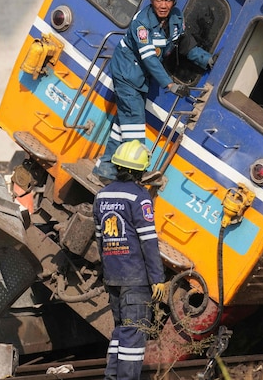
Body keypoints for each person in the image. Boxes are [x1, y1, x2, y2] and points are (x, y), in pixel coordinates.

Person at [89, 0, 213, 186]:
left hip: (141, 78)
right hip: (127, 74)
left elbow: (185, 45)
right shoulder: (142, 24)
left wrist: (207, 60)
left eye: (167, 0)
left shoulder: (176, 18)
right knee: (134, 122)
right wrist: (170, 84)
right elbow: (149, 59)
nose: (163, 5)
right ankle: (136, 172)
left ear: (174, 1)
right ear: (151, 0)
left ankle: (105, 170)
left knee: (123, 123)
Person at [93, 140, 168, 380]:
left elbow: (100, 240)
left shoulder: (101, 196)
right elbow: (148, 241)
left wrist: (107, 271)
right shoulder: (139, 197)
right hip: (136, 278)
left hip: (113, 275)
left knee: (120, 333)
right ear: (140, 170)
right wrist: (157, 279)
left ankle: (111, 377)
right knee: (134, 336)